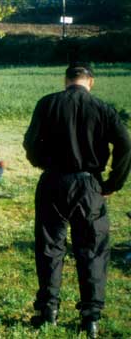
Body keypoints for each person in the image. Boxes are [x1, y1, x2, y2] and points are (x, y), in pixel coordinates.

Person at [23, 63, 130, 338]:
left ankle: (48, 311)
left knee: (49, 247)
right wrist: (112, 183)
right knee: (92, 249)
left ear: (66, 80)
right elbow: (125, 144)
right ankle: (90, 318)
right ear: (90, 81)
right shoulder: (103, 109)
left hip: (53, 182)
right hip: (89, 185)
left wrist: (42, 162)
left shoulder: (47, 104)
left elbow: (30, 142)